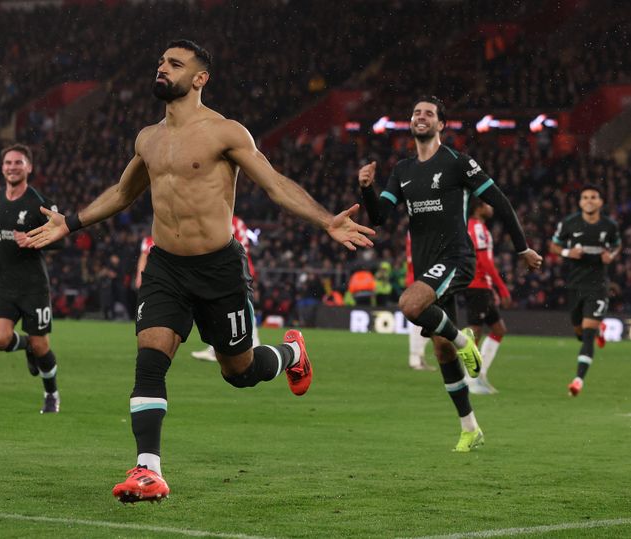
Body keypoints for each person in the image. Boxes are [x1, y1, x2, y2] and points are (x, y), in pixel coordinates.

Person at [26, 39, 375, 502]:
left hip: (220, 269)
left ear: (199, 78)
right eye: (160, 62)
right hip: (167, 267)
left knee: (240, 372)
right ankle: (147, 470)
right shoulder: (148, 138)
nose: (162, 68)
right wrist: (69, 223)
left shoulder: (225, 132)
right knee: (150, 359)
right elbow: (122, 192)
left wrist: (326, 219)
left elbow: (274, 184)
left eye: (174, 63)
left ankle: (292, 354)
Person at [358, 96, 542, 452]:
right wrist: (367, 188)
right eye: (416, 112)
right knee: (441, 351)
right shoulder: (402, 170)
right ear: (410, 123)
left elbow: (500, 202)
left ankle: (465, 341)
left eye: (429, 113)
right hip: (428, 265)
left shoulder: (458, 163)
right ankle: (470, 428)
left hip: (456, 257)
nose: (421, 117)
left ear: (442, 124)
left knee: (410, 304)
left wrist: (522, 248)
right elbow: (380, 216)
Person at [0, 143, 63, 414]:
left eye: (18, 162)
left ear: (29, 167)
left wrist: (35, 240)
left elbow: (60, 239)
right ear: (2, 168)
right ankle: (25, 346)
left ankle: (51, 394)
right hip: (4, 284)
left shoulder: (41, 203)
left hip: (34, 287)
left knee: (42, 345)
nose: (13, 167)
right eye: (8, 163)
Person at [549, 184, 620, 397]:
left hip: (598, 286)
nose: (589, 200)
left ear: (600, 202)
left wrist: (611, 256)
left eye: (594, 197)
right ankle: (598, 330)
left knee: (587, 336)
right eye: (585, 197)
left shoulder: (609, 226)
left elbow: (617, 245)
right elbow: (553, 246)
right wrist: (569, 252)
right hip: (575, 285)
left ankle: (578, 380)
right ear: (580, 202)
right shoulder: (569, 223)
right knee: (579, 332)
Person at [191, 215, 261, 361]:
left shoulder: (233, 222)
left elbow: (241, 247)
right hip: (220, 269)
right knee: (218, 307)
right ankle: (216, 348)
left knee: (242, 306)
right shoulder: (218, 220)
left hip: (236, 268)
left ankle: (253, 343)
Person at [464, 199, 511, 395]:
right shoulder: (476, 228)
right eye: (487, 204)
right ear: (479, 207)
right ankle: (469, 380)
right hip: (476, 284)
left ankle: (480, 374)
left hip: (483, 286)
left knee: (498, 329)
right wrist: (502, 288)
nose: (491, 207)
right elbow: (484, 262)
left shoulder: (479, 227)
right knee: (475, 331)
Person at [405, 233, 434, 371]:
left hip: (423, 276)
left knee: (427, 321)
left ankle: (418, 356)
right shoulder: (417, 228)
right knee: (420, 320)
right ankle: (415, 358)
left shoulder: (417, 225)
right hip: (420, 277)